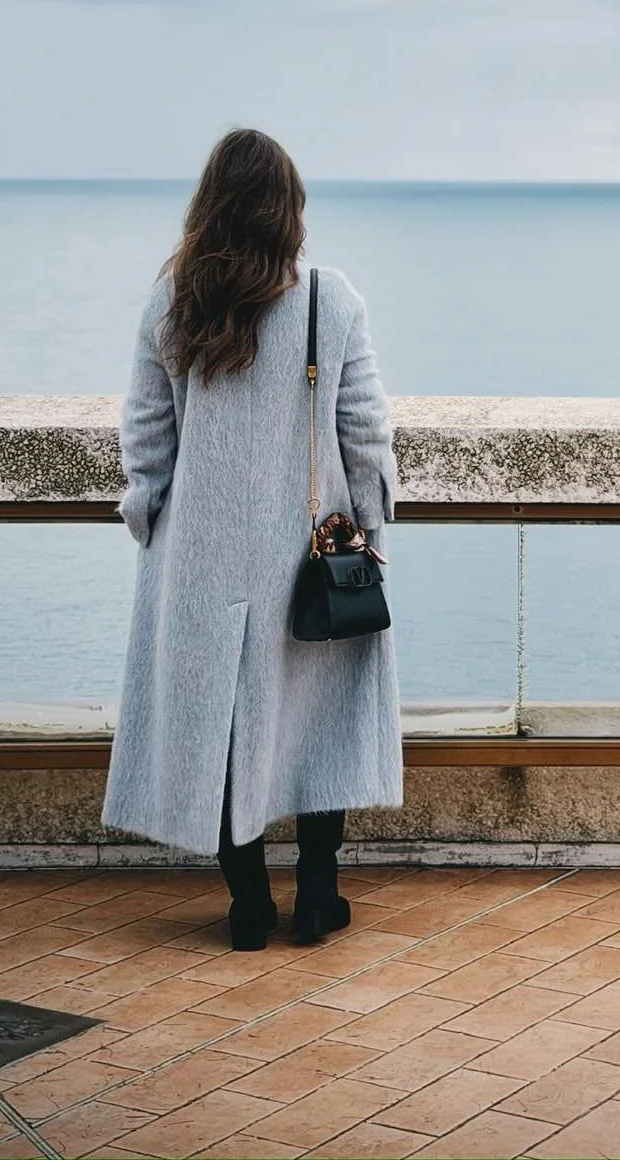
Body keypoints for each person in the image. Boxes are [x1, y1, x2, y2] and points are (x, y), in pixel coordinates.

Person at [101, 129, 402, 949]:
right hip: (306, 554)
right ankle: (315, 897)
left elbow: (147, 438)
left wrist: (153, 523)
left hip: (196, 557)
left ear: (211, 206)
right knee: (318, 718)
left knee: (218, 725)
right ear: (288, 209)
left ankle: (245, 907)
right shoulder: (327, 300)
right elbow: (366, 434)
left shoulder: (173, 300)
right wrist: (369, 531)